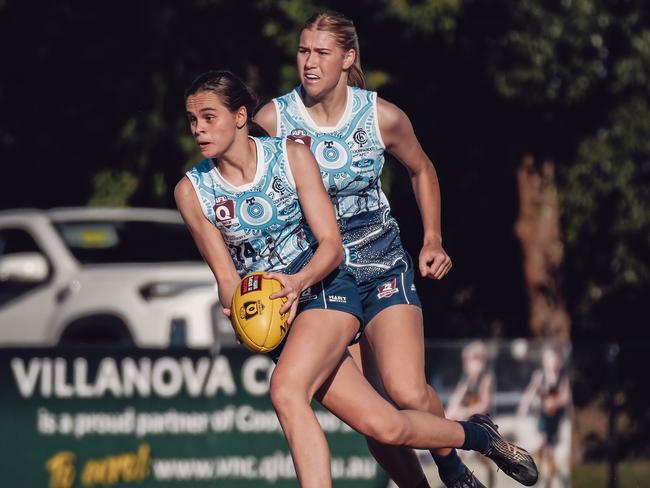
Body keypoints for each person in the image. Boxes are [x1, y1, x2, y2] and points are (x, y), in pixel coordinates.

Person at [176, 70, 538, 488]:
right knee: (385, 428)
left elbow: (331, 246)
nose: (199, 129)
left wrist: (295, 284)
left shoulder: (290, 155)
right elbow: (226, 276)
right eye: (192, 120)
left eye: (208, 117)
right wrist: (237, 310)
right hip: (282, 317)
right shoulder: (193, 192)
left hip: (326, 291)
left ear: (240, 116)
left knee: (286, 391)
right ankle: (479, 435)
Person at [254, 10, 502, 488]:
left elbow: (422, 170)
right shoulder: (273, 119)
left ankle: (451, 461)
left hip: (381, 261)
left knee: (407, 390)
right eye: (303, 50)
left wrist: (432, 238)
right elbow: (254, 190)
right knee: (373, 411)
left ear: (348, 58)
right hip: (322, 279)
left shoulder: (381, 116)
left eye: (322, 52)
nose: (309, 62)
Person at [518, 343, 570, 486]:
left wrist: (555, 403)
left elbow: (565, 398)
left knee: (550, 447)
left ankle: (548, 474)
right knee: (542, 441)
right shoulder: (540, 376)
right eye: (550, 358)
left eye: (556, 358)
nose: (553, 361)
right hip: (543, 418)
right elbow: (530, 392)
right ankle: (539, 471)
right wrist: (524, 406)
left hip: (555, 419)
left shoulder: (562, 378)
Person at [447, 341, 496, 487]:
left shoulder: (486, 379)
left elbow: (484, 405)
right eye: (472, 359)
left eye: (479, 359)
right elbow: (455, 400)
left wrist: (463, 411)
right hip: (469, 423)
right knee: (458, 452)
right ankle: (458, 481)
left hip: (482, 425)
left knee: (481, 457)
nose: (476, 364)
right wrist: (448, 414)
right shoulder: (467, 381)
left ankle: (462, 481)